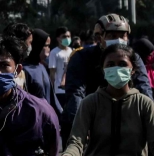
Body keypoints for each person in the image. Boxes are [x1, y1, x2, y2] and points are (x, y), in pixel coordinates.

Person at [64, 14, 152, 146]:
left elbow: (144, 88)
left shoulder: (134, 58)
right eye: (112, 36)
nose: (118, 40)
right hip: (91, 120)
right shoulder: (82, 57)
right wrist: (80, 127)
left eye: (122, 35)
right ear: (100, 37)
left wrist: (147, 122)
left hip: (127, 121)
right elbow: (75, 94)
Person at [23, 29, 63, 116]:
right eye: (46, 45)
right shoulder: (24, 70)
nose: (49, 49)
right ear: (37, 46)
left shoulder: (41, 67)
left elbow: (52, 97)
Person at [49, 27, 72, 108]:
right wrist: (51, 90)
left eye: (69, 36)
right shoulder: (54, 53)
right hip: (59, 90)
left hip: (70, 89)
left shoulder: (72, 51)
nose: (67, 39)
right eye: (64, 37)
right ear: (58, 39)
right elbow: (52, 73)